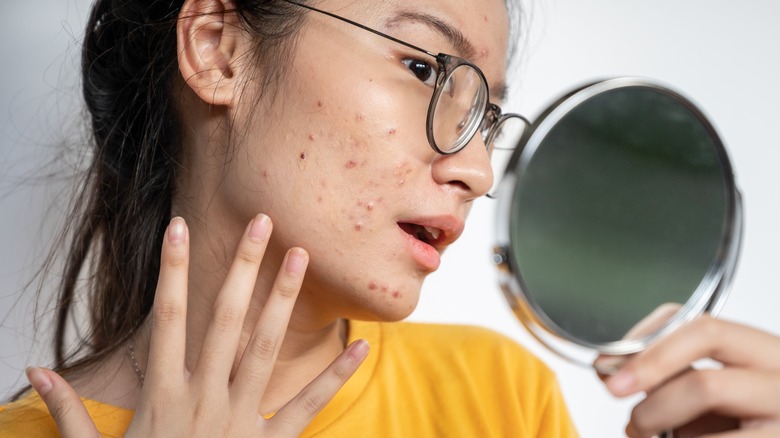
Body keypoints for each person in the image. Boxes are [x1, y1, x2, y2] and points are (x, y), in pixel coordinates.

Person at [0, 0, 778, 436]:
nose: (476, 171)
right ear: (219, 48)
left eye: (488, 114)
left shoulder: (497, 399)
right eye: (423, 68)